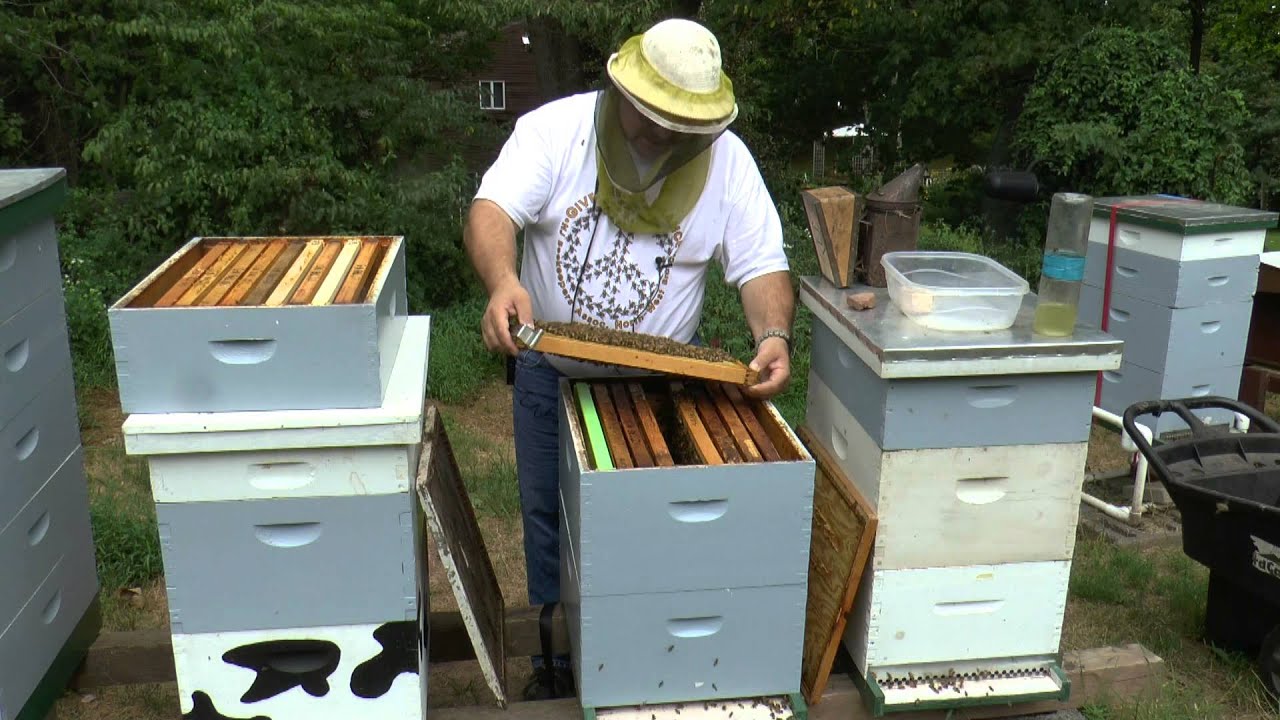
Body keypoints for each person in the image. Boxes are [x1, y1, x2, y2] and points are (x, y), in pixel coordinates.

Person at [463, 17, 795, 700]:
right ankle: (554, 663)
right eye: (651, 120)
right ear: (623, 92)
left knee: (652, 540)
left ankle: (650, 663)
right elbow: (492, 209)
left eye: (681, 128)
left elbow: (762, 265)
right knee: (548, 522)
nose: (661, 137)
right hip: (550, 374)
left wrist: (773, 335)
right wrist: (503, 281)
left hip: (661, 389)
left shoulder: (729, 162)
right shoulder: (557, 131)